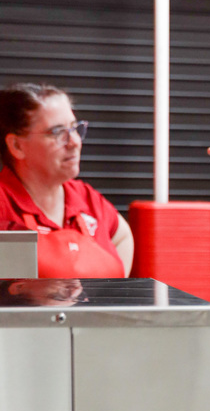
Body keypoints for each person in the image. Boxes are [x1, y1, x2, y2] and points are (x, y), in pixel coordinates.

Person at [0, 83, 133, 277]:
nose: (74, 142)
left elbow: (122, 236)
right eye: (57, 132)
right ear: (16, 146)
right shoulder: (4, 205)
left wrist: (114, 293)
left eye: (74, 128)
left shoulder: (86, 198)